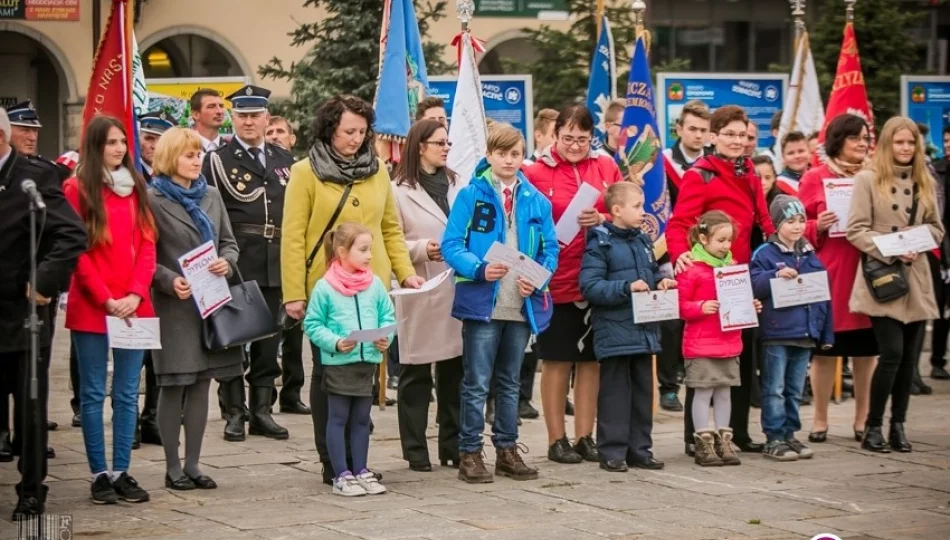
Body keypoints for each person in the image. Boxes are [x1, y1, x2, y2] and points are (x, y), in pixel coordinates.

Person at [281, 94, 424, 485]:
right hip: (327, 290)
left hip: (370, 290)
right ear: (330, 129)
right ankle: (333, 461)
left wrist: (405, 272)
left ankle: (356, 458)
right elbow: (293, 236)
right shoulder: (304, 172)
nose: (356, 139)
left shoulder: (377, 168)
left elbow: (390, 229)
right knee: (328, 374)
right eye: (349, 131)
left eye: (362, 132)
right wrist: (294, 292)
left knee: (362, 376)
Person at [442, 123, 558, 483]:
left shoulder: (536, 199)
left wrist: (538, 278)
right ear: (489, 155)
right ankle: (470, 453)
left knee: (510, 382)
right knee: (476, 382)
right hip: (484, 304)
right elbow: (451, 245)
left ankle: (507, 450)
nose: (509, 160)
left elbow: (550, 249)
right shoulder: (470, 195)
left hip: (520, 305)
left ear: (523, 156)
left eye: (516, 154)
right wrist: (478, 269)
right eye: (502, 153)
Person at [667, 105, 774, 456]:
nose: (737, 141)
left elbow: (764, 221)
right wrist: (680, 254)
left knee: (739, 354)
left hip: (739, 273)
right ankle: (693, 437)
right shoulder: (701, 173)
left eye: (742, 135)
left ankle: (736, 433)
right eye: (729, 134)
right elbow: (680, 222)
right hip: (709, 274)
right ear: (714, 137)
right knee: (703, 358)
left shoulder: (750, 173)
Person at [63, 116, 155, 504]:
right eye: (110, 143)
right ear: (94, 147)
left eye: (122, 142)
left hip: (134, 305)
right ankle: (99, 473)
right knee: (93, 391)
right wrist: (106, 298)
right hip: (93, 304)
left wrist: (135, 293)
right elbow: (78, 250)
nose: (119, 149)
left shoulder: (136, 187)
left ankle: (122, 471)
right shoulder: (76, 187)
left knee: (127, 392)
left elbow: (148, 243)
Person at [0, 108, 86, 519]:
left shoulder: (34, 179)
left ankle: (31, 488)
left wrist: (45, 279)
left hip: (23, 312)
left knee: (30, 404)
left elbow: (70, 233)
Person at [525, 104, 621, 465]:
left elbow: (624, 208)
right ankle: (556, 438)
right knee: (557, 359)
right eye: (568, 139)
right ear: (554, 135)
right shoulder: (534, 172)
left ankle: (584, 435)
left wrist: (603, 216)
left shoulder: (606, 166)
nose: (576, 146)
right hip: (555, 278)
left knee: (591, 360)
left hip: (598, 277)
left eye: (583, 139)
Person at [148, 126, 243, 491]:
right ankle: (172, 467)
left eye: (198, 155)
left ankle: (193, 464)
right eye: (189, 155)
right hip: (176, 306)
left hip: (212, 302)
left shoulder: (213, 196)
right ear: (171, 157)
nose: (196, 161)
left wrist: (226, 262)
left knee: (202, 384)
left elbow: (230, 243)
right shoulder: (153, 199)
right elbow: (144, 255)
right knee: (175, 384)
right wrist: (168, 279)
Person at [846, 117, 945, 453]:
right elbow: (856, 229)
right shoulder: (867, 179)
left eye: (911, 143)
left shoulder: (925, 181)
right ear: (887, 144)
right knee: (891, 354)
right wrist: (892, 247)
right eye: (899, 142)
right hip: (883, 278)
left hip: (916, 276)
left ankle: (898, 424)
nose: (905, 148)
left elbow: (937, 227)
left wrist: (918, 241)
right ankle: (873, 426)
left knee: (909, 361)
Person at [203, 84, 295, 441]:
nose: (249, 122)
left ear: (266, 118)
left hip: (275, 258)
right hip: (237, 258)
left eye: (255, 116)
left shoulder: (283, 160)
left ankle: (261, 411)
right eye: (241, 116)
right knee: (232, 343)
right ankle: (234, 413)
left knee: (268, 344)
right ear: (233, 118)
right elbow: (210, 213)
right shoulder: (218, 160)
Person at [579, 182, 675, 472]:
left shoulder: (643, 240)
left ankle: (640, 449)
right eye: (637, 206)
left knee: (643, 392)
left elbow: (653, 273)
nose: (643, 212)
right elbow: (590, 286)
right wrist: (625, 287)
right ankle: (612, 451)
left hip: (644, 329)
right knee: (615, 393)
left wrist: (662, 283)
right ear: (616, 210)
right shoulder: (600, 241)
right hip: (615, 331)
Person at [797, 114, 877, 443]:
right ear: (838, 140)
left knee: (866, 350)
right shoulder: (815, 176)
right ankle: (819, 419)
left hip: (869, 270)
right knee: (825, 351)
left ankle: (863, 419)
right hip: (830, 273)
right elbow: (796, 227)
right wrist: (819, 224)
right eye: (855, 138)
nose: (862, 143)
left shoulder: (874, 175)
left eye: (866, 138)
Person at [391, 119, 464, 471]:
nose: (446, 148)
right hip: (420, 287)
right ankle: (416, 450)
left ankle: (451, 445)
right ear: (420, 145)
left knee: (455, 371)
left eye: (448, 142)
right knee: (416, 374)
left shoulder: (458, 184)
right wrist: (421, 249)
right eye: (439, 142)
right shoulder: (397, 190)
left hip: (457, 287)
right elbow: (389, 240)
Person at [302, 222, 393, 496]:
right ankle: (340, 474)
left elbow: (388, 317)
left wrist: (386, 338)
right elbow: (313, 324)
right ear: (342, 251)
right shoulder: (325, 287)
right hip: (339, 363)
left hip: (367, 363)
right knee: (338, 418)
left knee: (362, 419)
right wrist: (336, 342)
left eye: (370, 250)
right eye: (362, 250)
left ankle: (361, 469)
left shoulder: (375, 284)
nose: (368, 256)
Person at [751, 195, 834, 462]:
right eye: (790, 221)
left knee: (795, 388)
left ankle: (790, 434)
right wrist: (774, 275)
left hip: (804, 333)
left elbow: (823, 295)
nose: (797, 226)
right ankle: (774, 437)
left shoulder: (810, 254)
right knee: (774, 387)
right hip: (776, 333)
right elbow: (752, 285)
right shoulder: (764, 253)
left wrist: (825, 333)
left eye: (800, 220)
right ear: (776, 225)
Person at [2, 101, 63, 460]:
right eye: (24, 128)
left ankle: (31, 436)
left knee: (34, 369)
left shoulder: (44, 173)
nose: (30, 135)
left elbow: (61, 231)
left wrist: (49, 277)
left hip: (36, 288)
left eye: (35, 130)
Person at [677, 211, 745, 467]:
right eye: (721, 241)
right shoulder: (691, 268)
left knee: (725, 392)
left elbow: (739, 300)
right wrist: (699, 307)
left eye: (729, 240)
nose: (726, 246)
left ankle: (724, 439)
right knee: (703, 393)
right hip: (701, 342)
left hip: (728, 340)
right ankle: (703, 443)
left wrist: (750, 306)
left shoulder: (732, 266)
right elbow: (680, 305)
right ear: (703, 238)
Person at [659, 99, 711, 412]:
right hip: (667, 251)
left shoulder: (712, 165)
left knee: (703, 316)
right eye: (692, 128)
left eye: (703, 130)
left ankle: (694, 377)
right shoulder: (661, 164)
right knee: (672, 319)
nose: (697, 135)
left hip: (706, 251)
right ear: (679, 129)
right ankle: (668, 385)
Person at [135, 111, 179, 450]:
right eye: (146, 137)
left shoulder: (173, 179)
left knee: (158, 353)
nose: (150, 145)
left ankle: (152, 417)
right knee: (135, 351)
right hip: (136, 275)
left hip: (165, 275)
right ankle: (130, 418)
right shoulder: (132, 178)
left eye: (157, 140)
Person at [930, 125, 950, 381]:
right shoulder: (936, 170)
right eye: (946, 140)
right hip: (943, 248)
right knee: (942, 311)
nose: (948, 144)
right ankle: (937, 361)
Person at [139, 110, 178, 183]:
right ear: (138, 139)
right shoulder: (129, 175)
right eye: (149, 138)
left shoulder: (177, 176)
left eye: (163, 141)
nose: (155, 146)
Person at [190, 88, 227, 158]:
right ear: (196, 114)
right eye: (211, 107)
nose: (219, 111)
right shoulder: (183, 148)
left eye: (221, 106)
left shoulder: (231, 149)